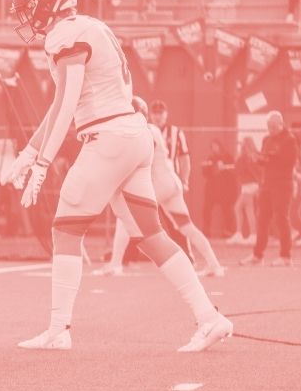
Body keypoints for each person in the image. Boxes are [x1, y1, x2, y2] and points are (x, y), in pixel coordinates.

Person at [1, 0, 232, 353]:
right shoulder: (91, 26)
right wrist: (29, 153)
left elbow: (67, 101)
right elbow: (61, 105)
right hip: (133, 136)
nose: (28, 16)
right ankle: (210, 318)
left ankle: (58, 328)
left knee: (65, 230)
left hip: (107, 138)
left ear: (47, 3)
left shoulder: (65, 35)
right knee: (151, 235)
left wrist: (42, 163)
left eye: (30, 6)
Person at [95, 98, 225, 277]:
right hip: (170, 182)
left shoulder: (144, 131)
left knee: (126, 215)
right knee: (186, 226)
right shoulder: (152, 129)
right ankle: (214, 264)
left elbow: (138, 158)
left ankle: (116, 264)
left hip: (161, 184)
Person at [242, 110, 299, 265]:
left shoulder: (289, 140)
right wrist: (257, 158)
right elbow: (265, 160)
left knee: (281, 218)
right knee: (262, 219)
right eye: (269, 126)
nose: (271, 130)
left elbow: (289, 161)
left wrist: (268, 158)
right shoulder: (267, 139)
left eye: (274, 126)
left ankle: (286, 256)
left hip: (282, 184)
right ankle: (257, 255)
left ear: (281, 124)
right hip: (267, 184)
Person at [201, 139, 238, 240]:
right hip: (212, 189)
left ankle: (228, 231)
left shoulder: (227, 157)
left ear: (220, 146)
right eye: (212, 147)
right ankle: (206, 230)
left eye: (216, 146)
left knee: (227, 209)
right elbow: (206, 174)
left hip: (225, 189)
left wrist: (225, 168)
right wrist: (205, 167)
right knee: (207, 209)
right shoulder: (210, 158)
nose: (214, 149)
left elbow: (234, 170)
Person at [231, 136, 261, 243]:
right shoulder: (253, 156)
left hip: (250, 185)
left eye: (243, 143)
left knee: (244, 209)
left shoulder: (247, 157)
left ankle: (252, 234)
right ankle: (241, 233)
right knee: (242, 208)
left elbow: (239, 169)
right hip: (250, 185)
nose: (242, 145)